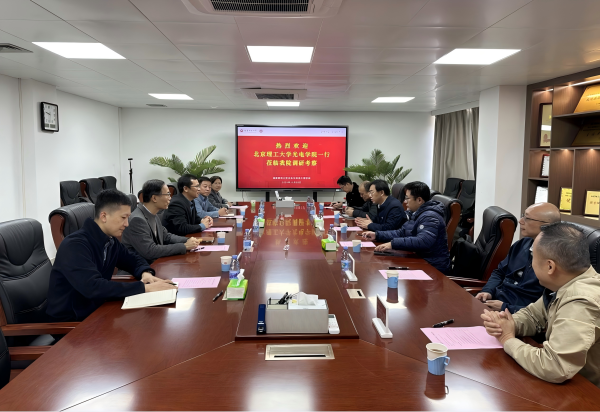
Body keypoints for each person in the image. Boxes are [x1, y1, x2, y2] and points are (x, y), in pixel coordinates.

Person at [482, 222, 600, 387]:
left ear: (550, 266)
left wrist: (507, 339)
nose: (531, 264)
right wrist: (507, 324)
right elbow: (533, 315)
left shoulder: (581, 301)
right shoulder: (563, 284)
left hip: (584, 391)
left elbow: (556, 366)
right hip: (565, 383)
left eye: (533, 258)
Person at [47, 189, 177, 322]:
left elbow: (132, 259)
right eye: (123, 218)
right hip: (72, 322)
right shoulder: (75, 246)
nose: (127, 224)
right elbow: (93, 287)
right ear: (104, 216)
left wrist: (146, 273)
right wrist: (145, 288)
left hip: (98, 309)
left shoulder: (109, 240)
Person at [475, 203, 561, 313]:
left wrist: (505, 307)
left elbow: (548, 309)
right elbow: (499, 272)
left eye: (527, 218)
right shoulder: (521, 244)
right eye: (523, 216)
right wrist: (487, 291)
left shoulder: (557, 260)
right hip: (494, 303)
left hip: (517, 315)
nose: (520, 221)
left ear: (546, 226)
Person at [364, 181, 449, 274]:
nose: (405, 201)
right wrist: (377, 235)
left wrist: (393, 244)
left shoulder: (430, 216)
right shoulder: (416, 213)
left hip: (433, 266)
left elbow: (423, 241)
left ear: (419, 200)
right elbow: (401, 232)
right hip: (418, 259)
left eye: (407, 198)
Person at [122, 179, 201, 265]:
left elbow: (166, 236)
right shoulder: (137, 220)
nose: (170, 198)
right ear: (154, 198)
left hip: (154, 263)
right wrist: (184, 246)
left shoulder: (153, 214)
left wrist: (189, 240)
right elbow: (150, 251)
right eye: (167, 194)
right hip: (139, 268)